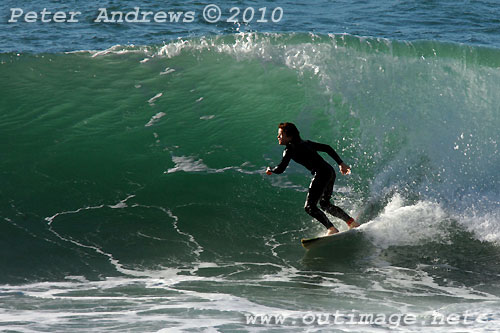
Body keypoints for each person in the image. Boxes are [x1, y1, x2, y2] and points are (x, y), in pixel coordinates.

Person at [266, 122, 360, 235]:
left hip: (321, 174)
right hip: (329, 171)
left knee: (309, 207)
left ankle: (331, 229)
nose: (278, 137)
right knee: (325, 204)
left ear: (289, 136)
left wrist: (270, 169)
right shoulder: (306, 143)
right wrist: (340, 163)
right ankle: (351, 222)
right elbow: (327, 148)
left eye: (280, 135)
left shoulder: (289, 149)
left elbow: (280, 169)